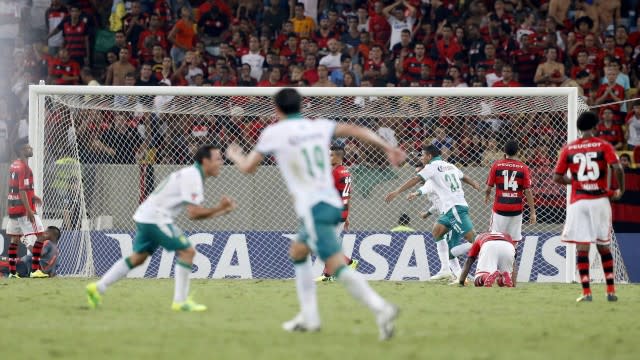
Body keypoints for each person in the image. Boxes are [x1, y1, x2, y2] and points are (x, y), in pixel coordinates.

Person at [226, 88, 404, 341]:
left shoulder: (273, 133)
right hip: (330, 204)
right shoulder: (318, 126)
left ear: (276, 110)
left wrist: (235, 155)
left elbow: (248, 168)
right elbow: (356, 130)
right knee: (299, 251)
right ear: (301, 107)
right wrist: (388, 147)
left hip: (315, 207)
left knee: (335, 265)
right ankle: (309, 316)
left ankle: (381, 308)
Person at [86, 145, 237, 311]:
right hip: (155, 218)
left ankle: (98, 287)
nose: (221, 162)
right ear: (205, 161)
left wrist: (220, 210)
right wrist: (220, 209)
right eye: (218, 159)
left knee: (138, 258)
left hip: (146, 215)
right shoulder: (193, 176)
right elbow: (193, 214)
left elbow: (195, 213)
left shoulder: (192, 174)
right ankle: (180, 302)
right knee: (188, 251)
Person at [553, 111, 625, 302]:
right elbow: (618, 168)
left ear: (579, 127)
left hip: (579, 202)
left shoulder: (569, 148)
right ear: (595, 126)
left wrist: (575, 182)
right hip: (600, 201)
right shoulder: (604, 146)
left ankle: (586, 293)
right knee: (603, 245)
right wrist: (620, 190)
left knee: (582, 248)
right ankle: (610, 291)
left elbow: (557, 177)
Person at [385, 145, 481, 281]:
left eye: (423, 155)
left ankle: (485, 262)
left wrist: (397, 191)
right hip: (449, 210)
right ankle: (445, 270)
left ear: (429, 156)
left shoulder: (432, 167)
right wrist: (474, 183)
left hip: (455, 208)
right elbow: (463, 177)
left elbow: (415, 180)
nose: (421, 158)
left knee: (474, 240)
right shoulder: (450, 166)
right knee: (437, 231)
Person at [484, 139, 536, 286]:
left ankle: (493, 274)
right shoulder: (523, 168)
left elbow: (489, 186)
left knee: (493, 243)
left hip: (499, 210)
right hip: (515, 212)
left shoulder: (497, 165)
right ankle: (512, 282)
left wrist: (487, 195)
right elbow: (528, 191)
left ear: (504, 151)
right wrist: (532, 212)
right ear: (518, 151)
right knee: (512, 247)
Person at [5, 138, 48, 278]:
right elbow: (22, 190)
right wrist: (29, 209)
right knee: (41, 236)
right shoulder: (24, 167)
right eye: (29, 147)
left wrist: (33, 196)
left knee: (15, 240)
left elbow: (19, 188)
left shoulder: (14, 165)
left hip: (13, 209)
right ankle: (35, 270)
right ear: (23, 150)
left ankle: (12, 272)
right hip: (24, 210)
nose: (31, 149)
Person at [408, 180, 467, 281]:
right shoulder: (437, 185)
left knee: (451, 246)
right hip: (448, 215)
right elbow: (437, 203)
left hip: (451, 214)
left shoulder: (431, 181)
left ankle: (458, 274)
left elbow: (424, 189)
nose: (418, 176)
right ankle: (447, 270)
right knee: (441, 238)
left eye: (419, 172)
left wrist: (415, 193)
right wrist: (427, 213)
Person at [316, 144, 359, 282]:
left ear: (337, 156)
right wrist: (347, 216)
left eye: (330, 155)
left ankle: (345, 264)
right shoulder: (346, 172)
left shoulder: (333, 173)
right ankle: (329, 273)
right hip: (342, 212)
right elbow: (347, 196)